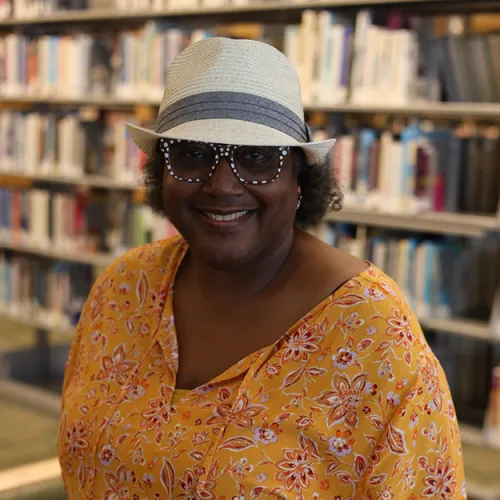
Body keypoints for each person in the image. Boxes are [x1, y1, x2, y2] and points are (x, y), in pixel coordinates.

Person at [58, 37, 466, 499]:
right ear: (160, 172)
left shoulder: (373, 334)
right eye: (193, 152)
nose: (222, 184)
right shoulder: (125, 287)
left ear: (299, 178)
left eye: (257, 157)